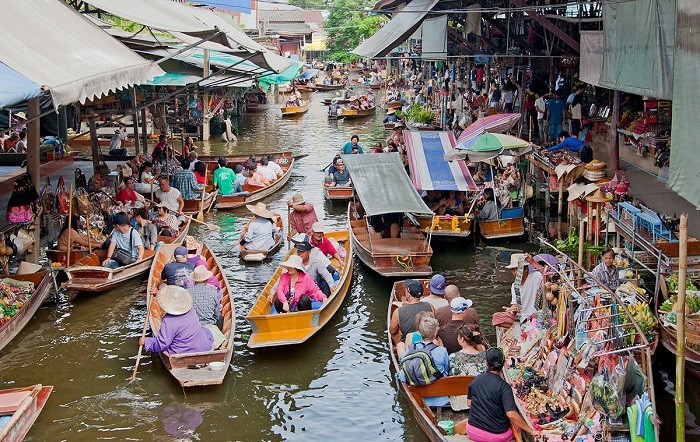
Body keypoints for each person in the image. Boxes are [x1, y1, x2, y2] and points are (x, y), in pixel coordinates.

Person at [454, 348, 540, 441]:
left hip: (473, 431)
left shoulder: (476, 380)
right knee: (517, 428)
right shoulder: (504, 387)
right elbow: (511, 414)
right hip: (495, 436)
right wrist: (531, 431)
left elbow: (469, 403)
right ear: (503, 364)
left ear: (486, 363)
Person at [139, 286, 215, 355]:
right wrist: (158, 293)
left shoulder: (168, 322)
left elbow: (162, 344)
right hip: (204, 346)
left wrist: (146, 342)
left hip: (182, 352)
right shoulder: (191, 309)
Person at [495, 253, 546, 327]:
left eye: (518, 269)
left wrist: (532, 262)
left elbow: (549, 274)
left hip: (536, 315)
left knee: (536, 316)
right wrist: (512, 309)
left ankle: (525, 325)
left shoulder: (536, 276)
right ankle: (524, 325)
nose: (515, 273)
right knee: (496, 317)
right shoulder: (514, 286)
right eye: (513, 270)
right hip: (522, 317)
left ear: (526, 269)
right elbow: (515, 304)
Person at [389, 279, 434, 344]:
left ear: (408, 293)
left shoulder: (398, 311)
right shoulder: (430, 306)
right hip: (428, 341)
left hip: (409, 343)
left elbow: (392, 331)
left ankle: (399, 347)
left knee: (395, 333)